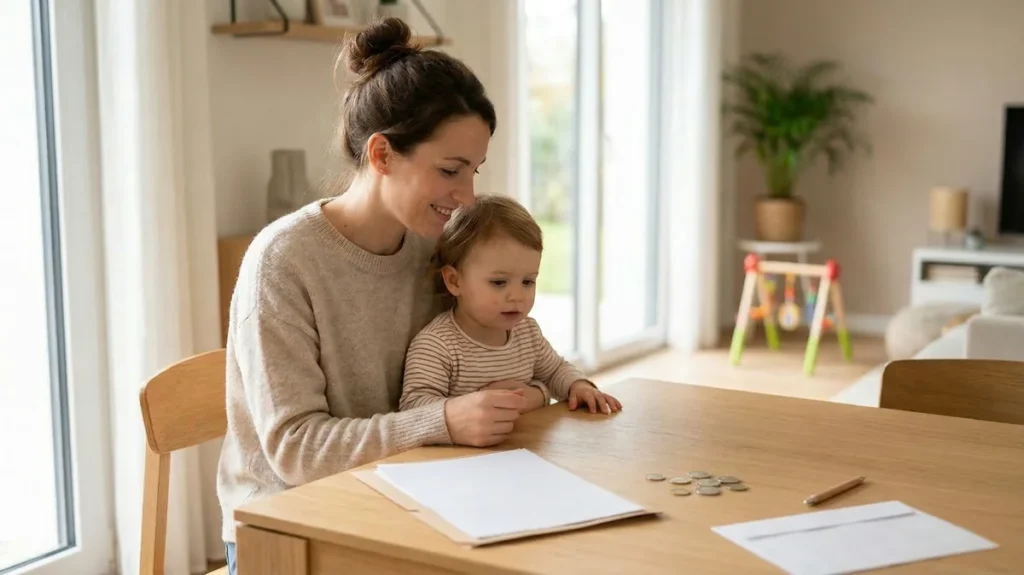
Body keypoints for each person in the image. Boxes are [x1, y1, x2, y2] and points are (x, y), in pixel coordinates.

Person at [216, 18, 535, 573]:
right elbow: (294, 449)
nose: (467, 197)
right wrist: (444, 422)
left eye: (475, 171)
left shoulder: (436, 248)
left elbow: (479, 365)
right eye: (451, 171)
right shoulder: (283, 262)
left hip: (411, 494)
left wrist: (528, 390)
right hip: (292, 527)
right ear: (382, 155)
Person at [399, 195, 623, 415]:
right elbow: (414, 407)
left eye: (528, 281)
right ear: (454, 281)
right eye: (499, 282)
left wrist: (579, 387)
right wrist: (468, 409)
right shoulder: (437, 346)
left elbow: (555, 371)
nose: (517, 296)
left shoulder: (527, 333)